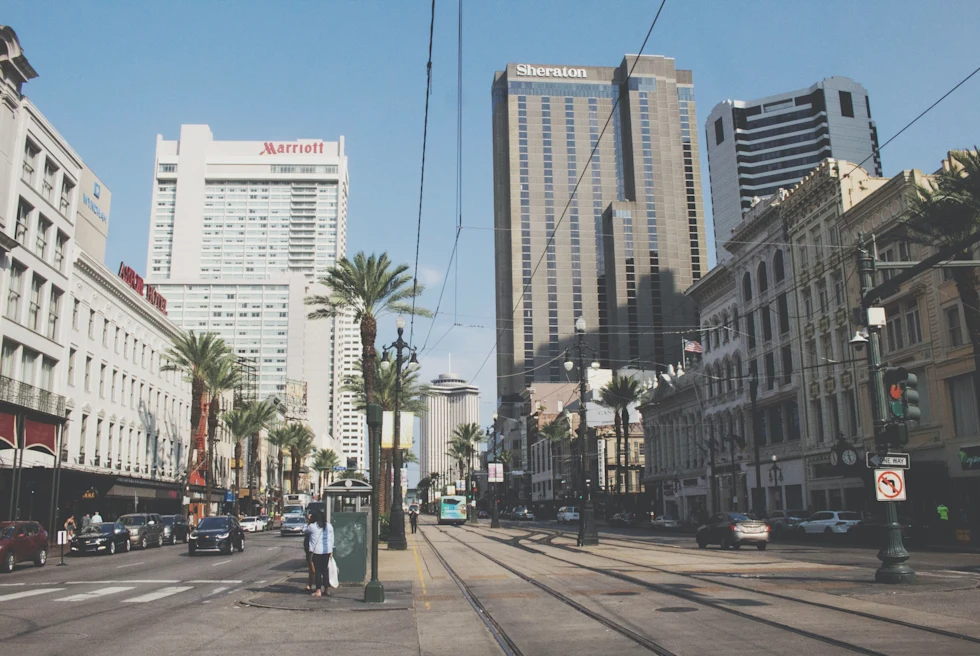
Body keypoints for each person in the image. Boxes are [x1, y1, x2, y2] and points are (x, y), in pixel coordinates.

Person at [304, 511, 334, 598]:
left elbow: (304, 530)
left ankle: (318, 591)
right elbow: (332, 538)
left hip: (316, 551)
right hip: (327, 551)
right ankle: (327, 590)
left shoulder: (312, 527)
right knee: (325, 570)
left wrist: (308, 520)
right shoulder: (329, 526)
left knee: (318, 571)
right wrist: (331, 550)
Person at [302, 512, 315, 591]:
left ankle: (312, 585)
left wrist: (308, 522)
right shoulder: (309, 526)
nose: (308, 519)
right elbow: (304, 530)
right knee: (311, 568)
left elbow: (305, 530)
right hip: (308, 549)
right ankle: (309, 584)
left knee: (313, 568)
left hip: (313, 549)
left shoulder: (313, 527)